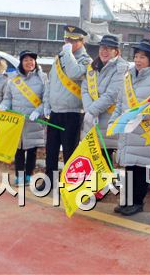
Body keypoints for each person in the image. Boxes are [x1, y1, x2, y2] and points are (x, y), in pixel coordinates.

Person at [108, 39, 150, 216]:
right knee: (129, 167)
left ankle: (137, 202)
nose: (138, 60)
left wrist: (139, 116)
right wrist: (115, 121)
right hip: (129, 130)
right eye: (136, 56)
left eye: (142, 57)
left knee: (141, 167)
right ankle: (126, 201)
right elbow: (121, 102)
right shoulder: (129, 75)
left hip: (146, 130)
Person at [41, 25, 92, 191]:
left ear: (81, 42)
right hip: (55, 112)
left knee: (70, 151)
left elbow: (74, 73)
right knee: (52, 149)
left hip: (73, 113)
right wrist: (47, 104)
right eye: (67, 39)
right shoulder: (60, 57)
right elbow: (50, 83)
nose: (68, 42)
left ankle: (70, 183)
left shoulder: (86, 60)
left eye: (73, 40)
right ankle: (50, 180)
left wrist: (68, 53)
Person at [0, 50, 47, 186]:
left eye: (32, 60)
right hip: (17, 121)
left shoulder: (42, 78)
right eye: (26, 60)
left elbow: (46, 100)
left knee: (32, 150)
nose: (29, 62)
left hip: (34, 120)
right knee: (18, 150)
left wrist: (38, 111)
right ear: (21, 62)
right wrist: (4, 105)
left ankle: (28, 175)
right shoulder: (13, 79)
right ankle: (19, 176)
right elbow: (8, 98)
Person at [81, 35, 128, 164]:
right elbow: (85, 89)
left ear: (116, 52)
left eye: (109, 48)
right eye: (102, 48)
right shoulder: (93, 66)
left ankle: (105, 185)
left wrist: (92, 111)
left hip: (107, 120)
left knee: (104, 162)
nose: (104, 51)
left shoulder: (121, 68)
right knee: (91, 161)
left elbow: (112, 95)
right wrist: (89, 110)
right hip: (91, 122)